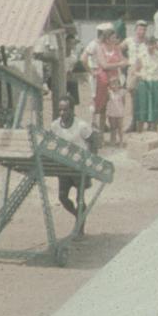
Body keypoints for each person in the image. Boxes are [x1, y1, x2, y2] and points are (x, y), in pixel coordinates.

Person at [48, 97, 95, 227]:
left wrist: (89, 159)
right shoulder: (55, 125)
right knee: (62, 197)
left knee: (80, 199)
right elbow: (51, 142)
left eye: (65, 110)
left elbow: (92, 140)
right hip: (64, 166)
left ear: (72, 110)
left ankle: (80, 228)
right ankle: (78, 216)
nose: (62, 113)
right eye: (60, 110)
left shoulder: (81, 126)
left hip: (79, 166)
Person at [90, 28, 127, 133]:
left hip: (114, 80)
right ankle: (100, 131)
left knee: (115, 106)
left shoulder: (117, 49)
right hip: (103, 80)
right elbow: (104, 65)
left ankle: (114, 133)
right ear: (107, 39)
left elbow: (124, 60)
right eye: (113, 37)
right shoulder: (100, 48)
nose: (115, 39)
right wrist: (118, 64)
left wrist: (121, 63)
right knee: (102, 107)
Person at [131, 36, 158, 131]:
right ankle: (140, 131)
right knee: (143, 107)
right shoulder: (141, 55)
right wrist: (141, 75)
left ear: (155, 44)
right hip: (144, 82)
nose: (150, 47)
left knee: (155, 107)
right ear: (145, 44)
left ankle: (153, 130)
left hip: (155, 82)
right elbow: (134, 71)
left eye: (153, 44)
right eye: (148, 44)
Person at [105, 76, 126, 146]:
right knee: (113, 128)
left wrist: (122, 110)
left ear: (119, 85)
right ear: (110, 85)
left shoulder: (122, 92)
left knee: (120, 127)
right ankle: (113, 140)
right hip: (112, 113)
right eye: (112, 84)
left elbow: (123, 102)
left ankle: (121, 141)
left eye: (116, 84)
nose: (114, 86)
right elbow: (107, 100)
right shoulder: (109, 93)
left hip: (119, 112)